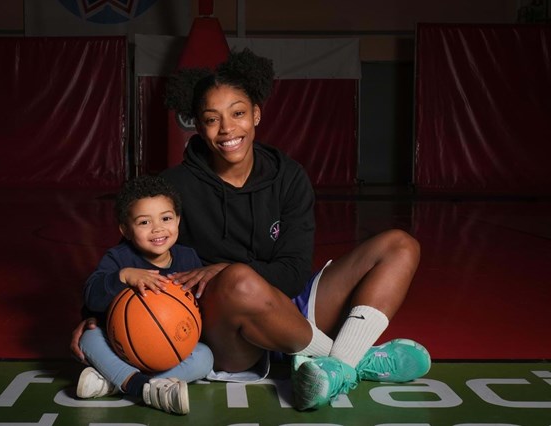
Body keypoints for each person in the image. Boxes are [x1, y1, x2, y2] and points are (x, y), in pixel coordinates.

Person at [72, 49, 430, 411]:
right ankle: (352, 358)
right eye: (212, 119)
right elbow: (133, 256)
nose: (227, 129)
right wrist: (100, 323)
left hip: (289, 305)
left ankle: (339, 366)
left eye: (238, 113)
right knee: (240, 280)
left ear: (256, 114)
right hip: (226, 329)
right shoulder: (174, 186)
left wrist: (223, 267)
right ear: (197, 124)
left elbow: (292, 274)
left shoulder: (289, 177)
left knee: (400, 245)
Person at [75, 175, 213, 415]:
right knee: (89, 338)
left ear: (178, 221)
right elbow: (92, 297)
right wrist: (124, 276)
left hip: (169, 352)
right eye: (144, 222)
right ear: (126, 230)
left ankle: (116, 382)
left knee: (205, 357)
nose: (158, 228)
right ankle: (144, 387)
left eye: (166, 218)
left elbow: (199, 308)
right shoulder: (118, 259)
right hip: (122, 347)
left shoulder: (188, 259)